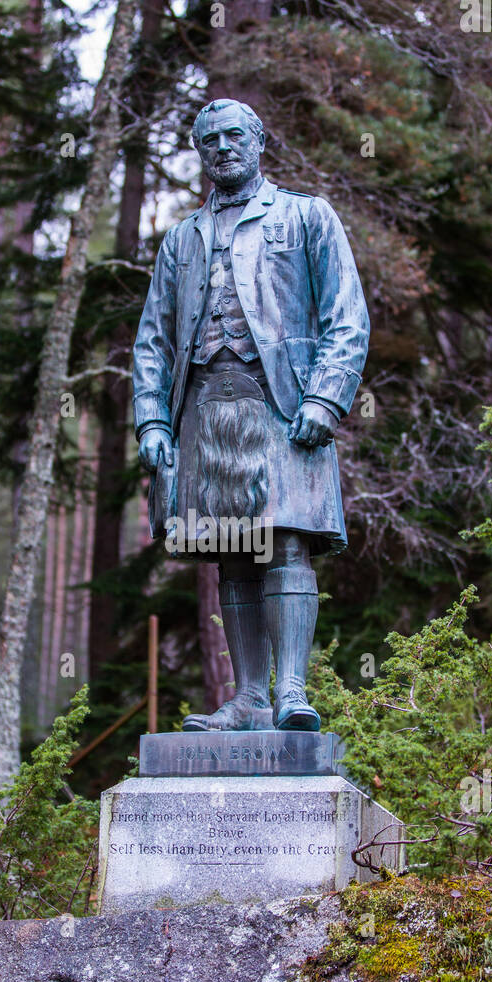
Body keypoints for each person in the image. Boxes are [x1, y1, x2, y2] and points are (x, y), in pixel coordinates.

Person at [133, 98, 369, 731]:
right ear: (200, 152)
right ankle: (247, 699)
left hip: (282, 406)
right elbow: (152, 338)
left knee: (286, 543)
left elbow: (347, 316)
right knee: (233, 553)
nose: (222, 148)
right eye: (208, 140)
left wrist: (326, 397)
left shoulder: (306, 216)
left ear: (259, 141)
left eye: (234, 135)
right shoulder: (181, 238)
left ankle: (292, 691)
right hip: (205, 412)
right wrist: (152, 420)